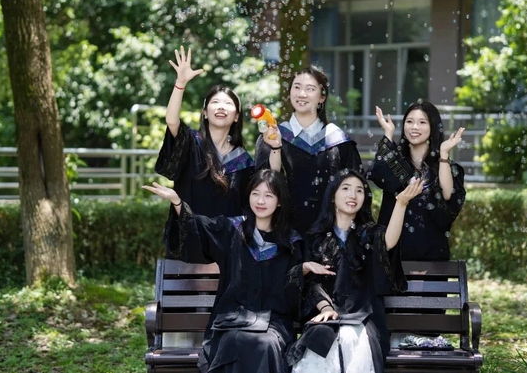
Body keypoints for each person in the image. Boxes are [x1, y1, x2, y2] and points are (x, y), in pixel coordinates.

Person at [143, 169, 332, 373]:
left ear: (279, 202)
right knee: (236, 340)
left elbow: (294, 293)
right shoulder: (232, 230)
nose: (260, 200)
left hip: (273, 324)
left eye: (268, 195)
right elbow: (199, 228)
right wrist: (178, 203)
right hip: (232, 321)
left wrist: (302, 272)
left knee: (266, 343)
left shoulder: (291, 243)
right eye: (255, 193)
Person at [287, 169, 423, 373]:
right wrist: (326, 309)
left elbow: (388, 241)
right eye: (346, 188)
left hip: (364, 318)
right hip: (326, 318)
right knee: (323, 343)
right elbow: (311, 285)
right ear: (332, 196)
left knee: (350, 337)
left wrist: (401, 203)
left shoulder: (368, 234)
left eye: (359, 190)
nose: (353, 195)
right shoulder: (315, 238)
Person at [155, 46, 254, 260]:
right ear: (205, 113)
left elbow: (249, 208)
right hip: (189, 241)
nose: (221, 107)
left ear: (237, 116)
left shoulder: (244, 161)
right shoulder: (191, 143)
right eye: (215, 102)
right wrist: (180, 83)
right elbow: (172, 120)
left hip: (227, 246)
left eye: (228, 104)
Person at [255, 65, 363, 241]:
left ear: (322, 97)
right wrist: (275, 148)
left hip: (331, 236)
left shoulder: (338, 141)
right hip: (284, 236)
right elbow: (264, 186)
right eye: (297, 87)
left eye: (310, 89)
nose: (302, 94)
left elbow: (355, 190)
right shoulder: (273, 136)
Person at [366, 101, 466, 262]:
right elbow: (378, 172)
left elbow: (448, 196)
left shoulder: (444, 166)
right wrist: (388, 134)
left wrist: (444, 154)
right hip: (393, 255)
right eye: (410, 121)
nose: (414, 127)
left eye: (422, 122)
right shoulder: (396, 160)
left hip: (432, 257)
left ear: (433, 126)